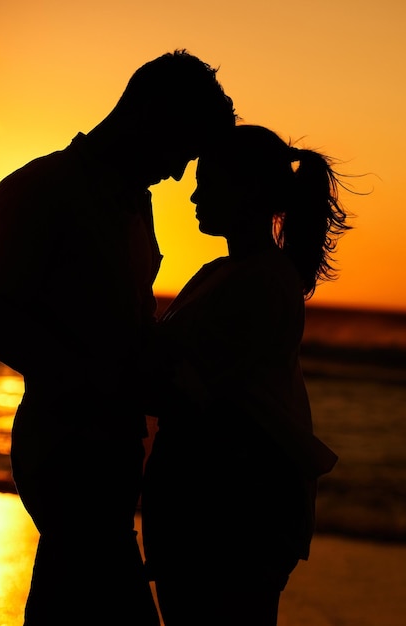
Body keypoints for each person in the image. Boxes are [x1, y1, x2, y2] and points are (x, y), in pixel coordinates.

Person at [0, 50, 236, 624]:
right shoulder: (43, 188)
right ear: (147, 115)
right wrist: (95, 378)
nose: (181, 172)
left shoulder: (139, 200)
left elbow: (125, 320)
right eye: (180, 150)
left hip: (115, 447)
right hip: (64, 448)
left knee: (66, 602)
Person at [141, 124, 351, 625]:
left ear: (249, 190)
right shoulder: (223, 272)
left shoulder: (263, 281)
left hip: (234, 511)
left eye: (208, 181)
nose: (193, 195)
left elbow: (187, 387)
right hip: (213, 503)